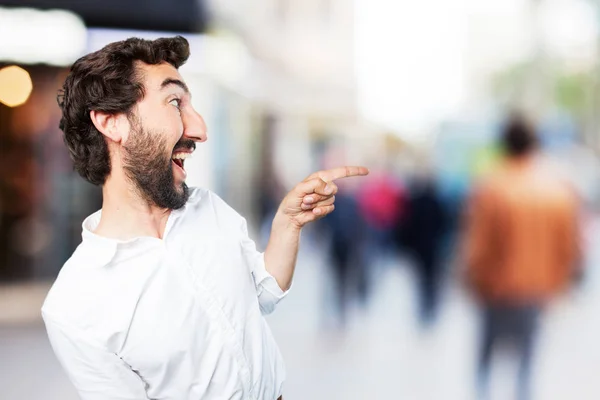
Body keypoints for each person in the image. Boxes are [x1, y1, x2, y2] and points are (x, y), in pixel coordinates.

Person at [41, 36, 368, 400]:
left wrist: (287, 223)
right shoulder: (73, 307)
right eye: (175, 102)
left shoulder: (209, 209)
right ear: (111, 123)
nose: (200, 129)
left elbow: (262, 295)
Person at [463, 113, 580, 400]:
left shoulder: (491, 186)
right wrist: (560, 284)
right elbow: (569, 247)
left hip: (496, 288)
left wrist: (471, 279)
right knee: (527, 360)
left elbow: (478, 244)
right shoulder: (557, 189)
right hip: (537, 290)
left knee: (487, 355)